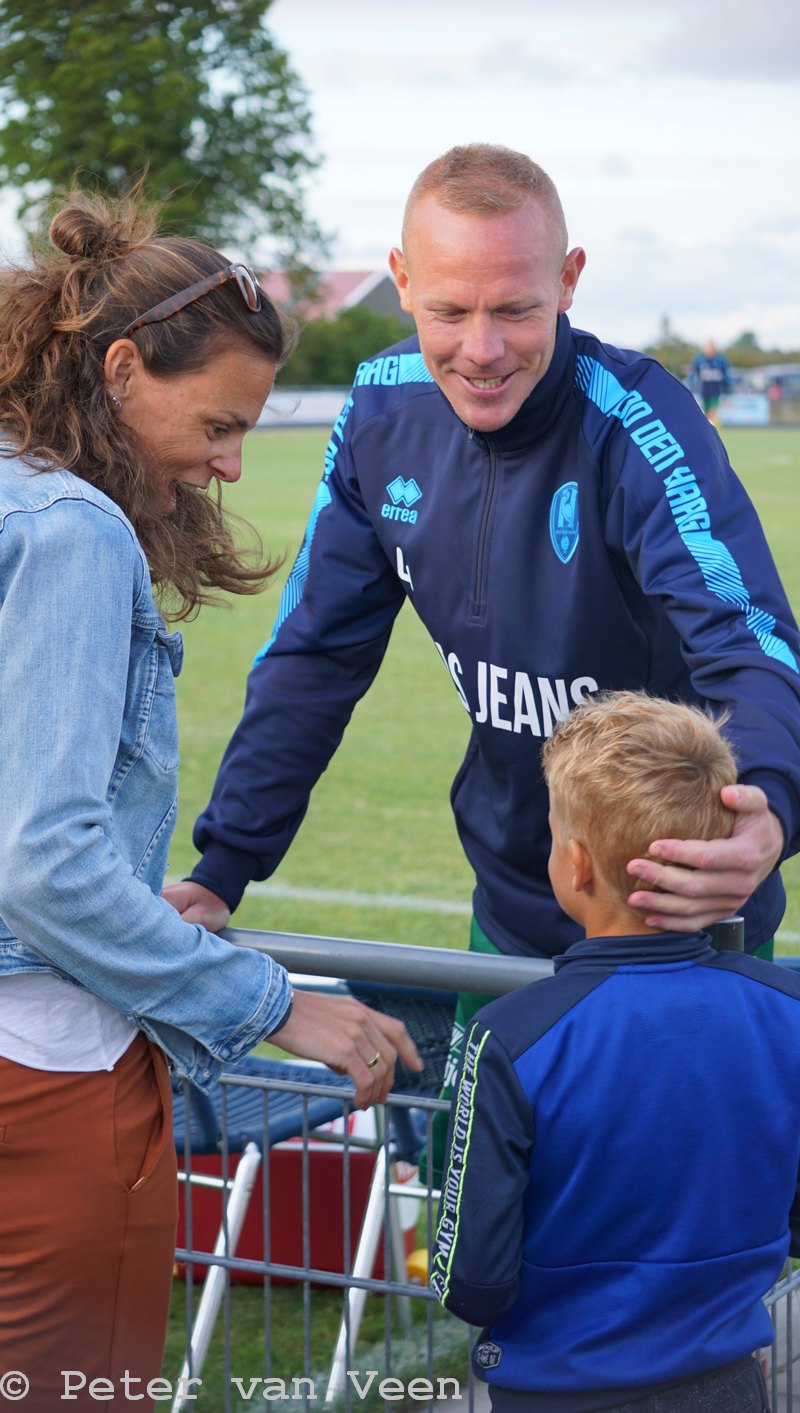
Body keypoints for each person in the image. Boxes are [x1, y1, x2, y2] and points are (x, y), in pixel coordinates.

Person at [165, 143, 800, 1187]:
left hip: (676, 918)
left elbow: (749, 641)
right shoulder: (377, 414)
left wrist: (767, 808)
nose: (481, 349)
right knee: (491, 1226)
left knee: (670, 1243)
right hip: (508, 900)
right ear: (400, 280)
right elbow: (315, 656)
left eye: (514, 310)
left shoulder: (636, 422)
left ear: (568, 280)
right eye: (448, 311)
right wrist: (223, 866)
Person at [0, 190, 421, 1412]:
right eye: (221, 423)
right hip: (44, 1075)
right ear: (122, 367)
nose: (232, 464)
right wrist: (275, 1004)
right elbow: (44, 863)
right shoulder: (68, 531)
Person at [431, 690, 797, 1412]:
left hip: (555, 1388)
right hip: (727, 1383)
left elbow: (473, 1274)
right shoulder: (786, 1010)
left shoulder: (511, 1037)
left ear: (575, 863)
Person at [690, 338, 731, 424]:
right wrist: (692, 387)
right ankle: (712, 430)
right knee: (707, 414)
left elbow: (726, 375)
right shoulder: (699, 360)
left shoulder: (720, 360)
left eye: (710, 347)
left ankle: (714, 431)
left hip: (716, 390)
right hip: (704, 390)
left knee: (712, 411)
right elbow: (694, 374)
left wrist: (727, 387)